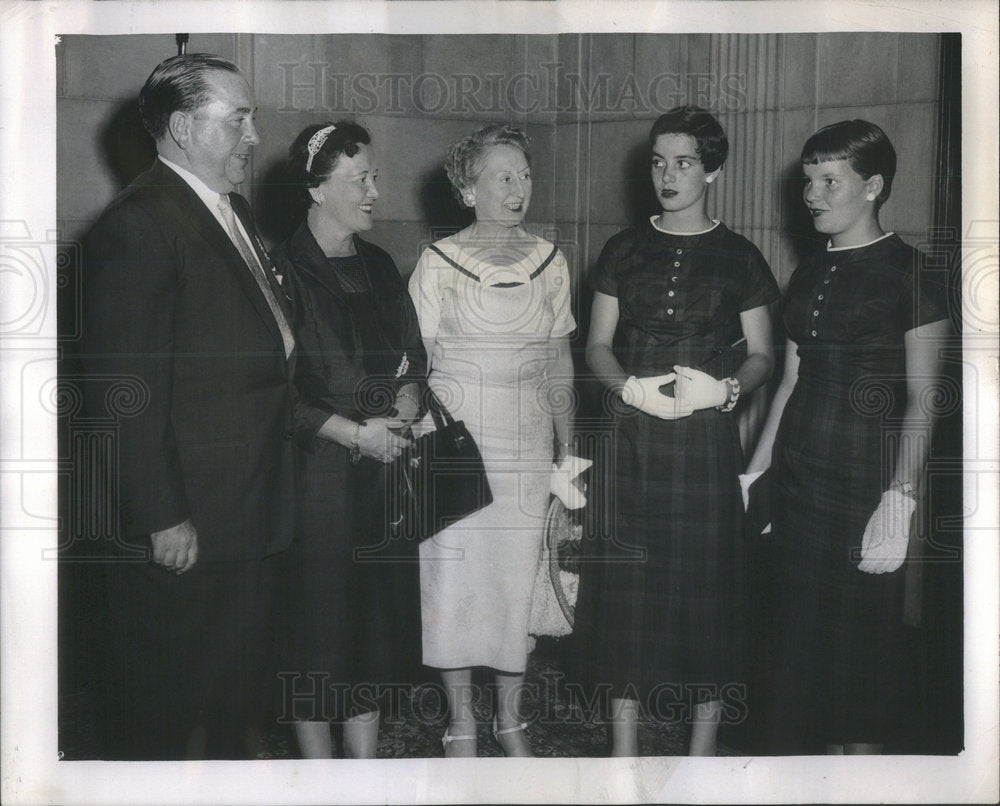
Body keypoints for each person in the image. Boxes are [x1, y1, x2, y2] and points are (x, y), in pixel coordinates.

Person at [78, 53, 296, 759]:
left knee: (232, 697)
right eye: (238, 120)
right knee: (166, 711)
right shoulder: (139, 226)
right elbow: (124, 390)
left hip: (246, 510)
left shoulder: (223, 210)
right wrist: (162, 515)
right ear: (181, 127)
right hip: (190, 524)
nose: (255, 137)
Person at [577, 106, 779, 756]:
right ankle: (624, 751)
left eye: (684, 162)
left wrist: (726, 390)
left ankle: (701, 756)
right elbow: (596, 347)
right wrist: (629, 388)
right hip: (630, 442)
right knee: (625, 594)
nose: (667, 174)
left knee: (708, 593)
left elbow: (762, 356)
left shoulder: (740, 257)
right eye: (659, 162)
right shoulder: (622, 250)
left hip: (702, 446)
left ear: (713, 169)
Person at [744, 119, 949, 754]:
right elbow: (788, 383)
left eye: (830, 181)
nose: (813, 196)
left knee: (860, 668)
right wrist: (755, 473)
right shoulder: (808, 272)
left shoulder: (913, 273)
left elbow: (924, 399)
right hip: (799, 481)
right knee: (798, 660)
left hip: (865, 486)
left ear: (873, 186)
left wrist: (902, 498)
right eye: (809, 182)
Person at [407, 123, 576, 757]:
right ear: (467, 188)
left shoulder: (552, 260)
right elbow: (415, 364)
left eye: (525, 176)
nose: (518, 188)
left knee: (515, 586)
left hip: (528, 446)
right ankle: (461, 722)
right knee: (452, 585)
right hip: (453, 444)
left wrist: (570, 454)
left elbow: (561, 363)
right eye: (503, 177)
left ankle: (509, 719)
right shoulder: (437, 261)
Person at [270, 121, 427, 759]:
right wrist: (353, 433)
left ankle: (360, 773)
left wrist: (408, 400)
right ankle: (317, 774)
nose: (373, 191)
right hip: (314, 480)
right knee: (312, 633)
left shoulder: (382, 265)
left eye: (374, 176)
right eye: (358, 178)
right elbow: (272, 393)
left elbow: (413, 358)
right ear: (316, 188)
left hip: (381, 474)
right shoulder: (280, 272)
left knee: (369, 629)